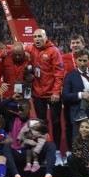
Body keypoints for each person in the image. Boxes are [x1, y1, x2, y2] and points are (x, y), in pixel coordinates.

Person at [25, 29, 65, 166]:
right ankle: (44, 151)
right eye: (35, 36)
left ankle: (58, 152)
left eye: (39, 36)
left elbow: (59, 73)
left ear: (45, 37)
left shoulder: (54, 51)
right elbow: (15, 47)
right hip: (38, 94)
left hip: (51, 94)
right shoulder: (31, 48)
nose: (37, 39)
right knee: (41, 125)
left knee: (55, 122)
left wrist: (56, 92)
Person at [0, 96, 57, 177]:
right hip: (18, 154)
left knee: (51, 145)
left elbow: (44, 138)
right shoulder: (12, 119)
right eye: (19, 110)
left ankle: (48, 176)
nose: (20, 112)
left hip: (32, 154)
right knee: (6, 148)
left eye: (22, 110)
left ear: (29, 109)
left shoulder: (36, 122)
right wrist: (11, 99)